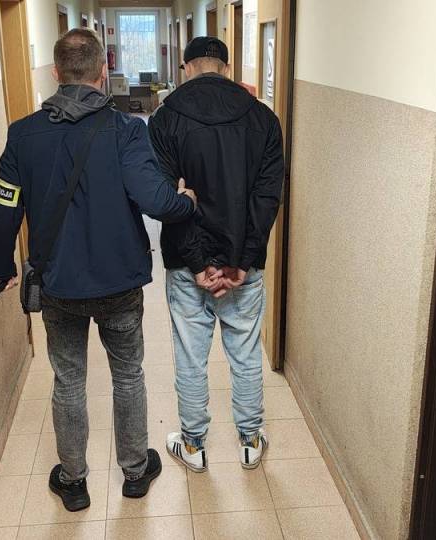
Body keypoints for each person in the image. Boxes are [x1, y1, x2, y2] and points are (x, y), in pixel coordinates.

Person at [0, 28, 197, 511]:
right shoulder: (126, 131)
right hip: (120, 282)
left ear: (56, 73)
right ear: (103, 72)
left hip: (58, 284)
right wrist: (185, 201)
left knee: (68, 380)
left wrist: (1, 264)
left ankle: (73, 480)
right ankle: (135, 472)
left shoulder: (22, 134)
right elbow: (156, 201)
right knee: (128, 376)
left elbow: (3, 207)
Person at [148, 37, 284, 472]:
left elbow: (169, 199)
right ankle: (250, 440)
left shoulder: (165, 119)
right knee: (245, 353)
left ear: (187, 67)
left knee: (190, 356)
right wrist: (241, 261)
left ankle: (193, 445)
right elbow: (267, 198)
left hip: (188, 268)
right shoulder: (263, 119)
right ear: (225, 67)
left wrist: (198, 263)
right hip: (243, 266)